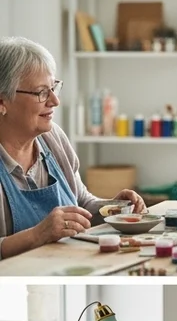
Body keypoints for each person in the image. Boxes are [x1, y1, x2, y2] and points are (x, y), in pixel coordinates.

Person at [0, 37, 145, 259]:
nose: (54, 101)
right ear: (2, 102)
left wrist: (113, 208)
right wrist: (37, 235)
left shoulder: (53, 137)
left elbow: (82, 202)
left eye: (53, 88)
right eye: (41, 92)